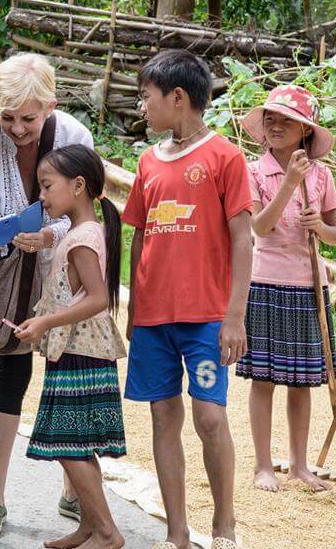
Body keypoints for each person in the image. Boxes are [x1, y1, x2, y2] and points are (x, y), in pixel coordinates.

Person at [121, 50, 252, 549]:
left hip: (205, 318)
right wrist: (133, 307)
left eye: (147, 96)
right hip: (154, 318)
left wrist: (233, 317)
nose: (142, 106)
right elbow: (139, 236)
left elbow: (244, 237)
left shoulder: (224, 156)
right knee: (162, 416)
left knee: (210, 416)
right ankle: (176, 533)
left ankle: (224, 525)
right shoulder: (148, 160)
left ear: (178, 97)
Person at [0, 52, 94, 537]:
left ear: (51, 106)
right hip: (10, 269)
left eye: (28, 118)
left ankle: (73, 489)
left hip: (64, 265)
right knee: (10, 368)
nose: (17, 129)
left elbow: (87, 203)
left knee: (66, 375)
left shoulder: (74, 138)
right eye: (8, 118)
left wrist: (50, 235)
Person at [15, 145, 129, 549]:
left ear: (78, 186)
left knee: (69, 446)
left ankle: (107, 532)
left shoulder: (82, 238)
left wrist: (46, 320)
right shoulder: (87, 232)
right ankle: (90, 525)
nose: (41, 196)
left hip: (81, 352)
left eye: (47, 186)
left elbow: (96, 298)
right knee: (75, 446)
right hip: (78, 350)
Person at [234, 85, 336, 493]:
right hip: (264, 281)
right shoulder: (253, 171)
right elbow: (259, 228)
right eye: (271, 120)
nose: (277, 126)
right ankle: (264, 465)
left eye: (287, 121)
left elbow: (333, 235)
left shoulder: (323, 175)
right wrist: (288, 183)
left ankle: (299, 466)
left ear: (306, 131)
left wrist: (320, 227)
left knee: (302, 380)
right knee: (263, 378)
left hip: (309, 283)